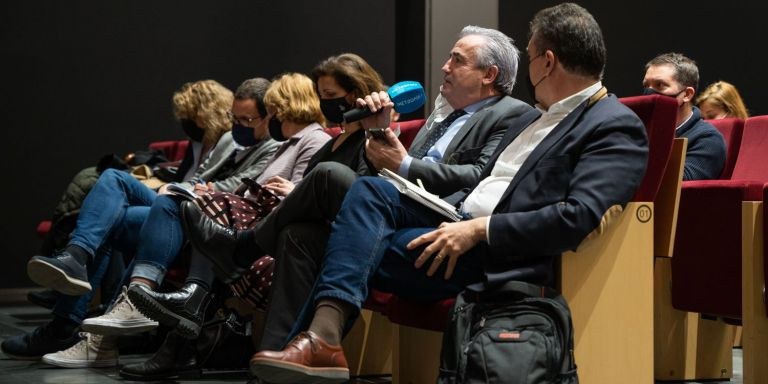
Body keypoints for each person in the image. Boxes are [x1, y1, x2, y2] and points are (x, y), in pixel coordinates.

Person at [249, 3, 649, 383]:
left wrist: (478, 230)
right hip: (452, 219)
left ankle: (314, 344)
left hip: (490, 252)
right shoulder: (541, 117)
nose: (528, 70)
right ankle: (318, 344)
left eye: (529, 58)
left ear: (547, 61)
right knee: (363, 196)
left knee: (319, 239)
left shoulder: (612, 124)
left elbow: (576, 217)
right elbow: (480, 183)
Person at [184, 26, 532, 355]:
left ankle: (245, 248)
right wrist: (377, 132)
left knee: (328, 175)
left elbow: (478, 175)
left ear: (489, 75)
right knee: (298, 234)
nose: (445, 66)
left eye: (457, 59)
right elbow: (382, 173)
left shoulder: (512, 113)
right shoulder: (440, 119)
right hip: (394, 203)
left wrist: (405, 165)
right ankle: (277, 357)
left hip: (443, 218)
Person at [115, 55, 392, 380]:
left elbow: (370, 193)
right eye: (321, 96)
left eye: (331, 96)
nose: (324, 104)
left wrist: (377, 129)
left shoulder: (374, 137)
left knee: (214, 215)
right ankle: (268, 364)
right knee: (290, 234)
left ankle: (232, 259)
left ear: (358, 93)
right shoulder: (332, 142)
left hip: (348, 232)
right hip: (298, 231)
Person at [36, 73, 329, 369]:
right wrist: (196, 187)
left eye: (251, 118)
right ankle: (79, 264)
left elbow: (273, 193)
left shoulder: (293, 142)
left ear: (277, 113)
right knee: (115, 182)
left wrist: (203, 190)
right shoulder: (277, 142)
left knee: (144, 211)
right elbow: (213, 177)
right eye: (234, 118)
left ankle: (92, 327)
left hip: (224, 217)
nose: (238, 125)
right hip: (207, 206)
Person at [29, 79, 235, 314]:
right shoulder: (198, 143)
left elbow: (218, 187)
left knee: (110, 206)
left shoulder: (230, 143)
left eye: (191, 115)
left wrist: (179, 187)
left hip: (186, 208)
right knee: (111, 180)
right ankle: (76, 259)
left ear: (206, 112)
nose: (186, 122)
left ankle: (66, 318)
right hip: (170, 196)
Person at [642, 53, 726, 180]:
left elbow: (680, 182)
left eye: (659, 85)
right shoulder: (641, 130)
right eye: (646, 86)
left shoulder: (708, 139)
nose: (649, 93)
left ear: (687, 94)